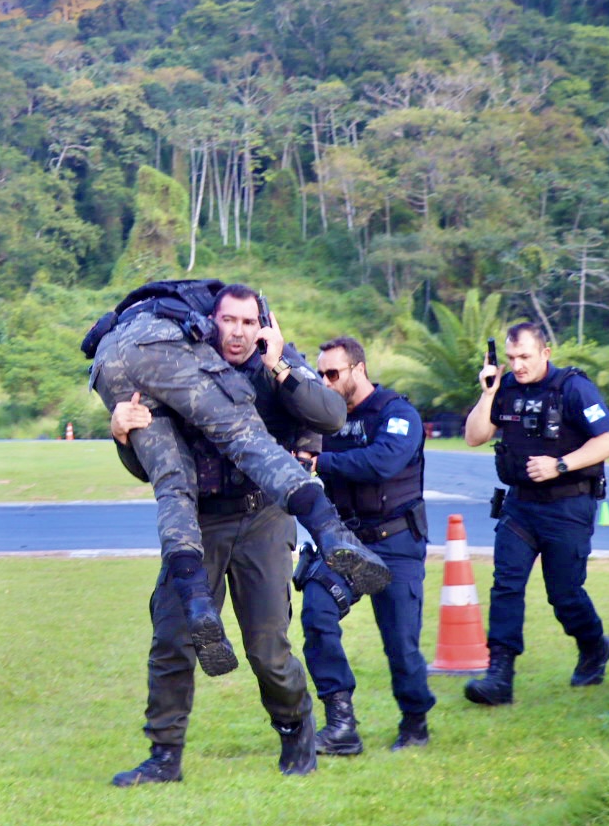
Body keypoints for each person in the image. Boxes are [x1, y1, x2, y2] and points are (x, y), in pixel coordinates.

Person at [86, 279, 388, 777]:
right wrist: (122, 432)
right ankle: (164, 756)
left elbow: (331, 414)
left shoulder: (276, 360)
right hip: (199, 521)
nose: (239, 332)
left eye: (250, 322)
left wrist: (279, 366)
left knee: (267, 648)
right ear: (211, 321)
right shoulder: (182, 362)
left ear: (262, 325)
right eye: (229, 320)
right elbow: (150, 468)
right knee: (173, 638)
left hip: (262, 516)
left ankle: (296, 734)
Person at [462, 321, 609, 706]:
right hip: (520, 506)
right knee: (506, 585)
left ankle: (594, 645)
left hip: (568, 505)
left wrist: (561, 465)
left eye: (526, 357)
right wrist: (487, 393)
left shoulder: (572, 387)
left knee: (564, 595)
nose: (518, 365)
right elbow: (475, 436)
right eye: (512, 357)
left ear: (545, 353)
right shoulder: (505, 388)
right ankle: (499, 675)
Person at [300, 336, 435, 754]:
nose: (325, 381)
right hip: (346, 542)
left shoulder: (398, 413)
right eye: (320, 374)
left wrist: (321, 462)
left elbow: (382, 463)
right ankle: (341, 725)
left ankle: (415, 723)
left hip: (395, 542)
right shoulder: (324, 419)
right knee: (317, 615)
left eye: (333, 373)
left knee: (401, 645)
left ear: (358, 369)